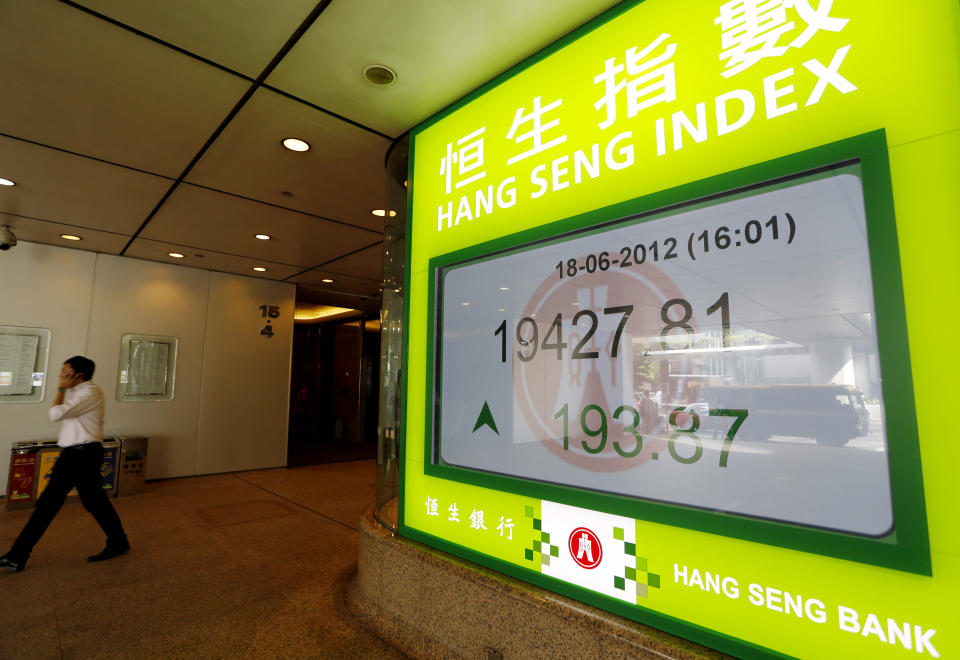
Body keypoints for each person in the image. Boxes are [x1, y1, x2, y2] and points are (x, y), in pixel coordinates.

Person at [1, 356, 129, 572]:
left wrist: (60, 389)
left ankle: (17, 555)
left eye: (65, 371)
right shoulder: (77, 393)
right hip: (76, 454)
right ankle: (119, 541)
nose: (61, 374)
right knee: (94, 502)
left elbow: (55, 414)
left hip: (82, 454)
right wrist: (64, 389)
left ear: (79, 375)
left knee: (49, 504)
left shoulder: (90, 392)